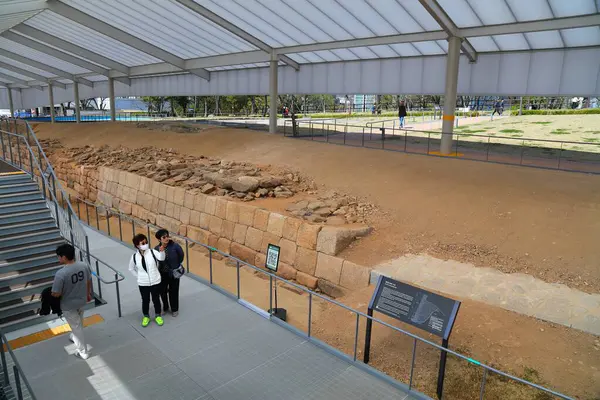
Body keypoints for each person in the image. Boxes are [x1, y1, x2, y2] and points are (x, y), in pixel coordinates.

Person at [52, 244, 92, 360]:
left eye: (59, 257)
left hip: (68, 305)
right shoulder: (83, 265)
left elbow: (56, 293)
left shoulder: (61, 274)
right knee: (79, 322)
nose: (58, 259)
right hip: (82, 300)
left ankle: (83, 352)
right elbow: (89, 280)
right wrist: (88, 294)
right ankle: (74, 336)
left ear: (64, 257)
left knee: (76, 326)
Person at [129, 233, 166, 327]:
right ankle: (146, 316)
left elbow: (161, 258)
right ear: (137, 245)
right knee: (145, 300)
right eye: (143, 243)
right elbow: (131, 269)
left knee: (156, 299)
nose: (145, 244)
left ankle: (158, 315)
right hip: (143, 283)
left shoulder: (153, 252)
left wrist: (162, 252)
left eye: (146, 242)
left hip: (155, 281)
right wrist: (138, 277)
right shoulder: (134, 257)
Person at [154, 229, 184, 317]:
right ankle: (165, 307)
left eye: (167, 236)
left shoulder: (175, 246)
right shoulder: (156, 248)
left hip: (173, 273)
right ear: (159, 240)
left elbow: (181, 256)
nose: (166, 238)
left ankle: (174, 309)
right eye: (164, 237)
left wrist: (176, 265)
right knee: (162, 291)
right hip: (162, 273)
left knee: (174, 291)